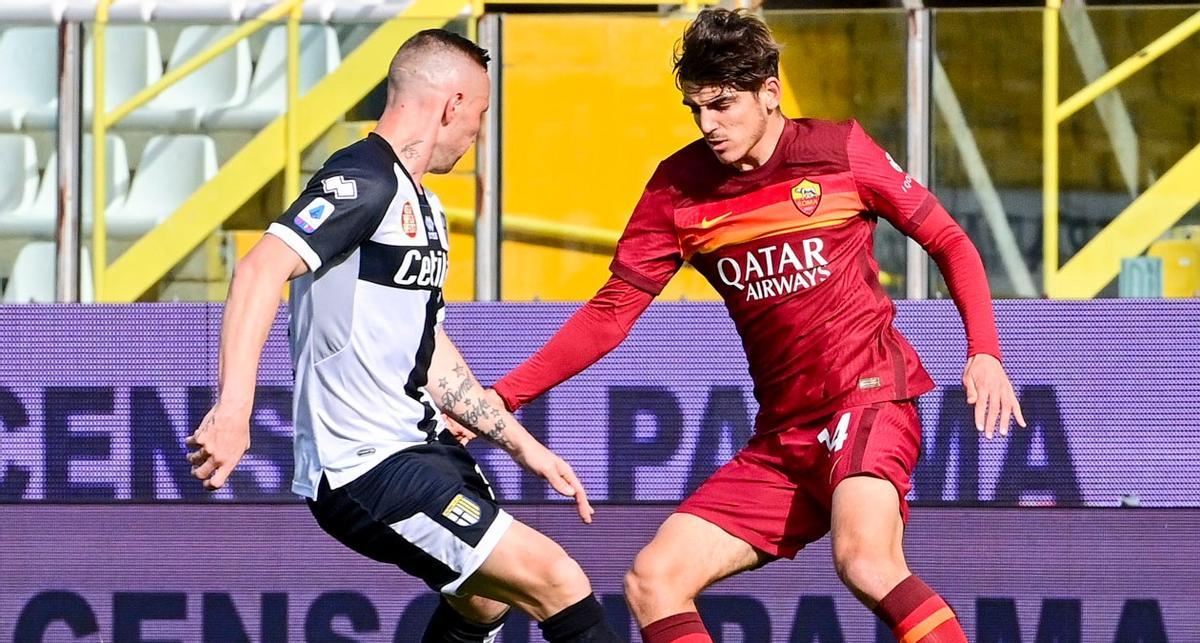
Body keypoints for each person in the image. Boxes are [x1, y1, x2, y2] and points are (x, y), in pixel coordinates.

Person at [482, 9, 1026, 643]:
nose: (709, 126)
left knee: (866, 560)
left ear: (770, 92)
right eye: (696, 110)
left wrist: (984, 351)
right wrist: (502, 396)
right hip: (784, 435)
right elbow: (609, 316)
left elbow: (950, 241)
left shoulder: (838, 149)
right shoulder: (678, 191)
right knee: (654, 579)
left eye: (723, 106)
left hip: (869, 398)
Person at [186, 29, 621, 643]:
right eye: (481, 112)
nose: (478, 130)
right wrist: (235, 409)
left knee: (483, 603)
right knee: (556, 578)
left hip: (420, 447)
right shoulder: (365, 180)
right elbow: (259, 269)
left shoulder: (426, 209)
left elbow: (433, 359)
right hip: (363, 463)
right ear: (453, 105)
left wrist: (524, 445)